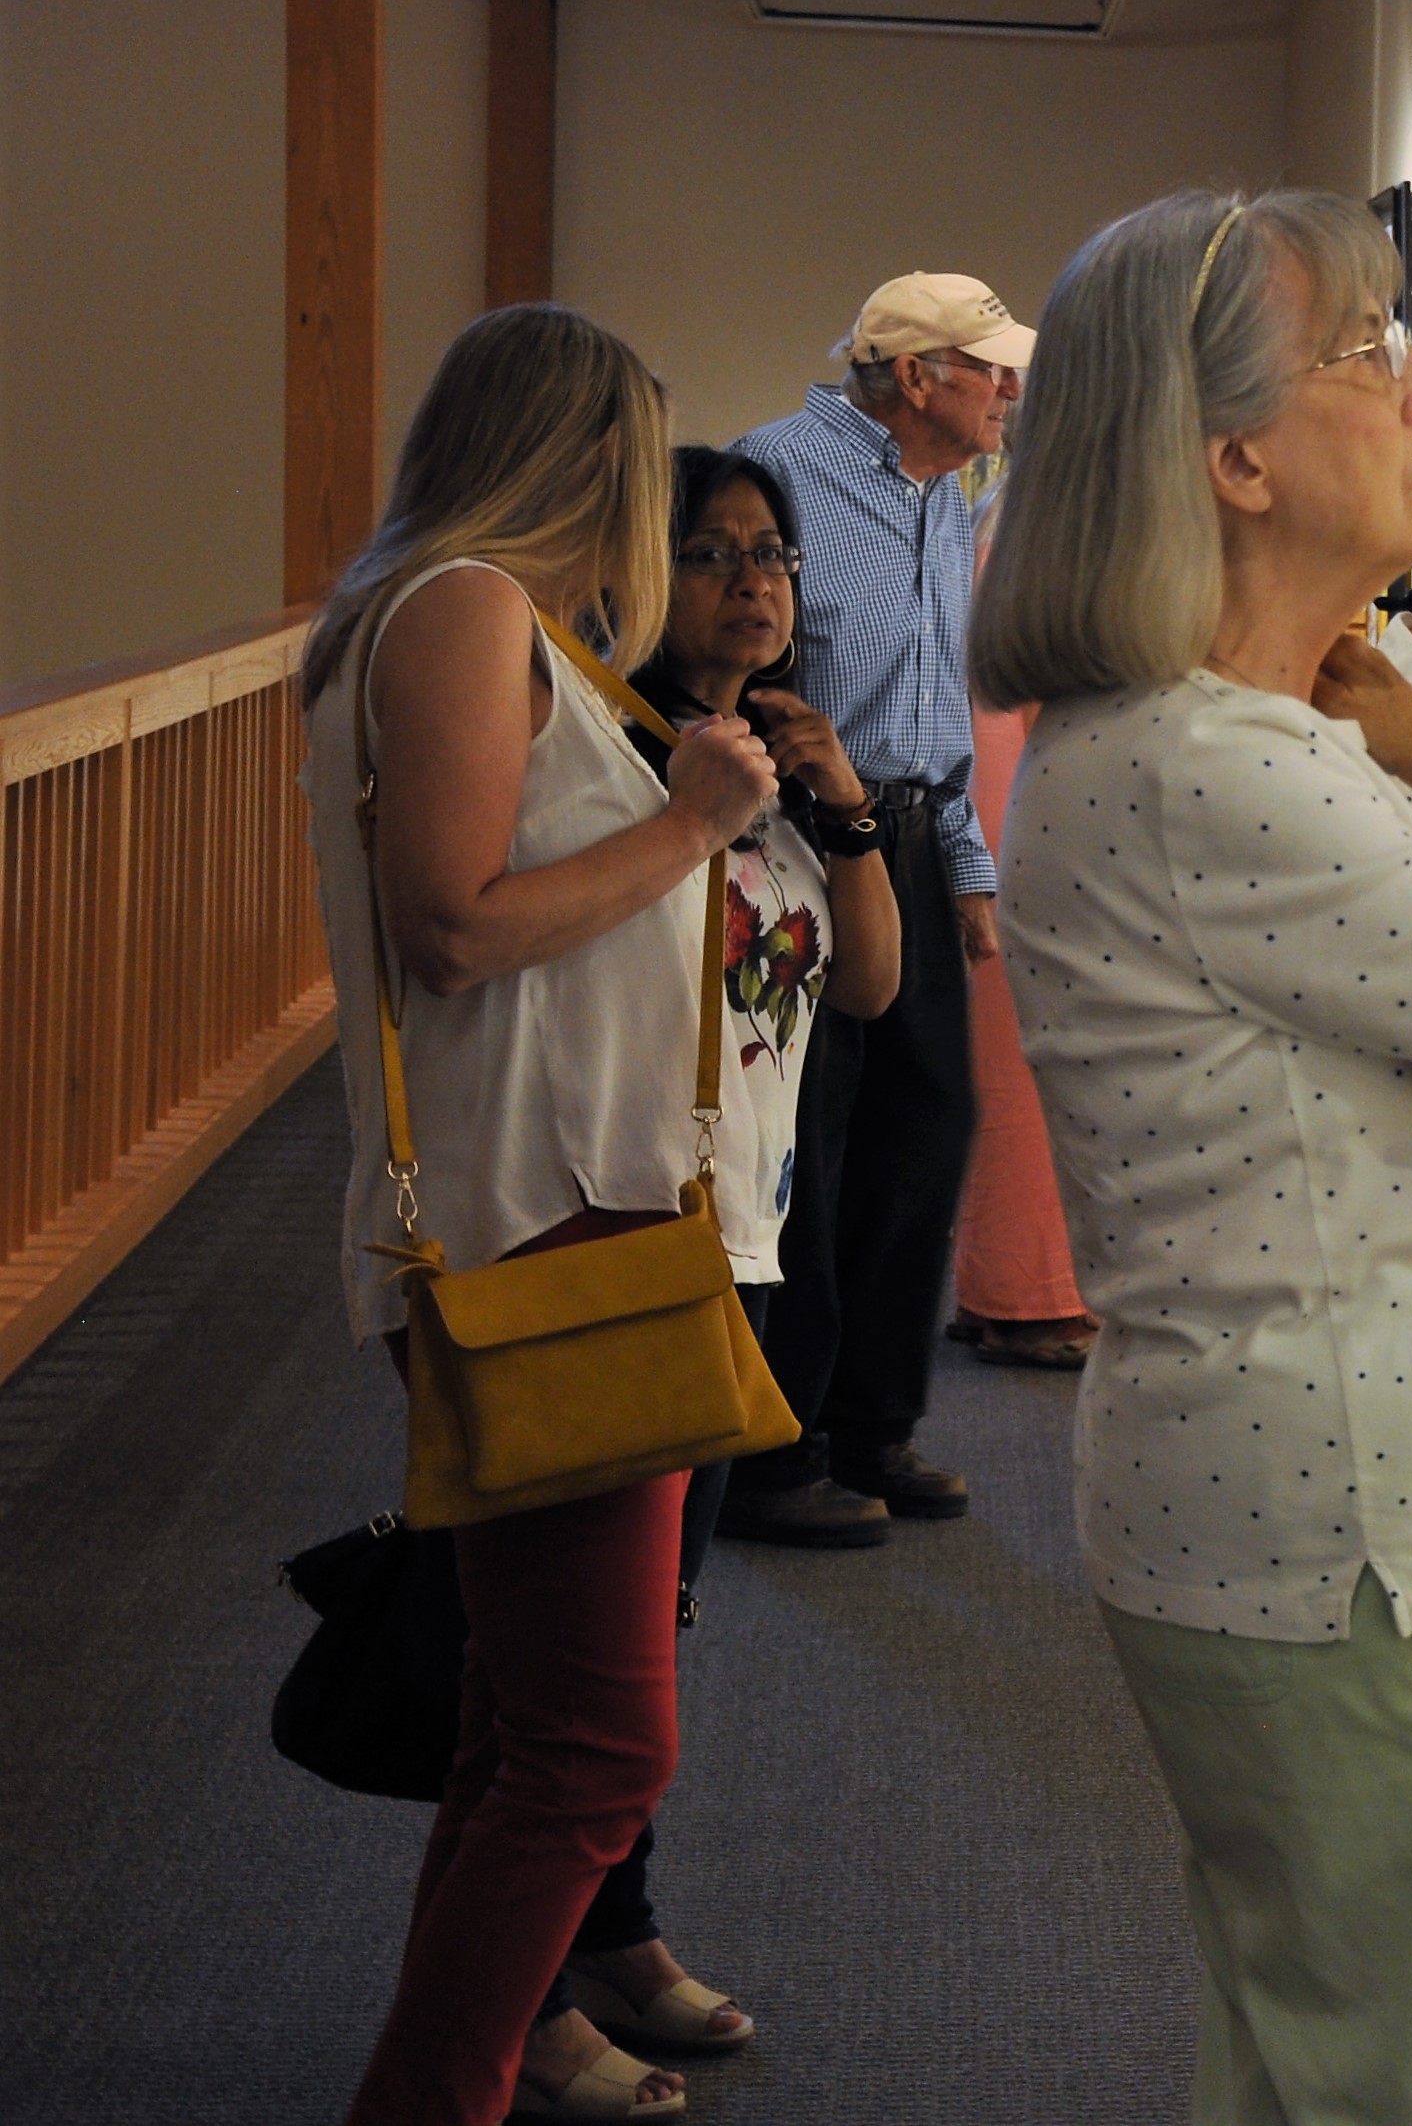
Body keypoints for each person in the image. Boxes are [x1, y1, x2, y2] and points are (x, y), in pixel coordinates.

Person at [976, 189, 1412, 2125]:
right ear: (1236, 459)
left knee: (1328, 2061)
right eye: (1368, 354)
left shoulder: (1201, 745)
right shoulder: (1234, 769)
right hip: (1404, 1546)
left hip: (1346, 1525)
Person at [298, 306, 780, 2125]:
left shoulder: (475, 617)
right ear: (581, 452)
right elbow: (458, 923)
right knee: (596, 1740)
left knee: (527, 1718)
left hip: (573, 1206)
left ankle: (452, 2069)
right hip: (541, 1223)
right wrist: (692, 818)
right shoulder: (464, 611)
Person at [494, 446, 908, 2113]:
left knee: (655, 1627)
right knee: (582, 1666)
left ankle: (617, 1931)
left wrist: (846, 801)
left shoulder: (778, 764)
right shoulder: (606, 751)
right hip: (618, 1239)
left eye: (774, 556)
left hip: (740, 1246)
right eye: (714, 552)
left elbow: (869, 986)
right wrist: (705, 802)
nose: (754, 584)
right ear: (639, 571)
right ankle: (528, 1987)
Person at [722, 270, 1029, 1543]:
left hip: (907, 837)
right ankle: (772, 1448)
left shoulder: (949, 493)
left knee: (924, 1128)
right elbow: (732, 663)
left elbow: (935, 707)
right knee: (812, 1147)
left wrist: (962, 865)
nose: (1010, 389)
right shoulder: (775, 472)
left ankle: (872, 1426)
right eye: (989, 367)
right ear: (916, 378)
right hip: (795, 841)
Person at [944, 669, 1096, 1369]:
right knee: (1022, 1016)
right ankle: (1032, 1300)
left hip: (988, 701)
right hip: (1019, 699)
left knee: (1005, 1028)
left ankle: (1004, 1287)